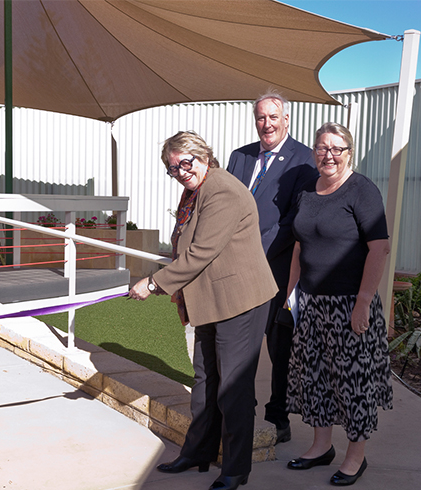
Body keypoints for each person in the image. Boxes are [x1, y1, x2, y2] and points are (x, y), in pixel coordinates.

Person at [129, 131, 277, 490]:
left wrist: (152, 283)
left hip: (240, 300)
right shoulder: (196, 190)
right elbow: (187, 245)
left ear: (203, 155)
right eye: (172, 168)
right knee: (205, 380)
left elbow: (201, 252)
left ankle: (236, 468)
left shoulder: (222, 189)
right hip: (210, 297)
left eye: (185, 162)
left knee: (232, 387)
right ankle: (198, 452)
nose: (180, 171)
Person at [284, 122, 393, 486]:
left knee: (353, 384)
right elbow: (300, 244)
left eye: (336, 148)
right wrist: (291, 293)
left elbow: (380, 248)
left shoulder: (362, 191)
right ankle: (320, 447)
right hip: (312, 304)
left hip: (349, 305)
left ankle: (355, 457)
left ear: (349, 152)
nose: (328, 155)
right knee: (314, 378)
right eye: (321, 148)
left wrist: (363, 302)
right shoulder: (306, 190)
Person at [227, 90, 318, 444]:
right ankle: (242, 409)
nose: (267, 124)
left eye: (273, 117)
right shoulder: (240, 157)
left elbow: (296, 217)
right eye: (261, 118)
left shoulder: (304, 161)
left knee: (279, 346)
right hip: (236, 269)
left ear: (287, 120)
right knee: (240, 342)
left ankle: (277, 415)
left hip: (277, 268)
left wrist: (255, 253)